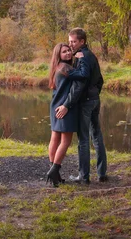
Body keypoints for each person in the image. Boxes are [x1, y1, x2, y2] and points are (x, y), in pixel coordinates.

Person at [55, 27, 107, 184]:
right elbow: (100, 80)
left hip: (85, 102)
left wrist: (67, 104)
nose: (70, 44)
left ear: (82, 42)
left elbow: (79, 84)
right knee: (97, 136)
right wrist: (95, 94)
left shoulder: (82, 56)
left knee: (84, 139)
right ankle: (101, 174)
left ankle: (83, 177)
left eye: (73, 41)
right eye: (69, 41)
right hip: (94, 100)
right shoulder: (91, 55)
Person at [45, 43, 81, 187]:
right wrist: (80, 59)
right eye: (64, 52)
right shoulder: (67, 68)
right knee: (65, 141)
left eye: (69, 51)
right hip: (64, 107)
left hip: (55, 105)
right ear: (58, 55)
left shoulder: (57, 67)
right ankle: (54, 170)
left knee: (54, 138)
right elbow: (83, 75)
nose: (67, 53)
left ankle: (55, 172)